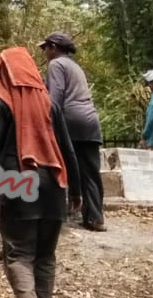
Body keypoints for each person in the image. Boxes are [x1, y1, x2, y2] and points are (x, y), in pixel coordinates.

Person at [0, 47, 80, 298]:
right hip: (54, 186)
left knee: (19, 255)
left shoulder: (0, 104)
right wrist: (76, 190)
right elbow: (68, 149)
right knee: (45, 257)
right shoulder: (50, 105)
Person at [39, 31, 104, 231]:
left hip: (70, 121)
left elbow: (55, 98)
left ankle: (61, 213)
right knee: (90, 172)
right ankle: (95, 218)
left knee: (61, 166)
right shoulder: (75, 67)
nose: (45, 53)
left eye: (46, 48)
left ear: (54, 47)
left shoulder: (56, 65)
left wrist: (46, 122)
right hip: (90, 121)